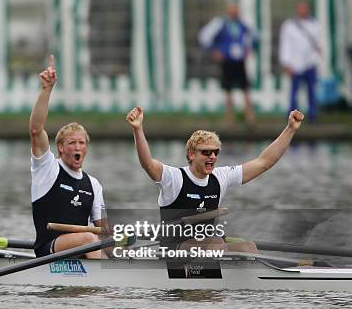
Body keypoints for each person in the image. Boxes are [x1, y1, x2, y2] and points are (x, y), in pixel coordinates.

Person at [125, 105, 305, 253]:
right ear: (191, 154)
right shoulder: (175, 178)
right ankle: (206, 292)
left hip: (208, 244)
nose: (212, 156)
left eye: (215, 152)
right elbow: (147, 164)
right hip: (175, 247)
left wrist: (290, 130)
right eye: (206, 152)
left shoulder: (220, 177)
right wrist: (138, 129)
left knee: (248, 247)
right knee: (216, 243)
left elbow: (264, 162)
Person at [29, 55, 106, 259]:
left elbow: (104, 228)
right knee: (90, 238)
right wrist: (46, 89)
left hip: (80, 249)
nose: (77, 147)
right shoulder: (48, 169)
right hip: (50, 248)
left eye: (82, 143)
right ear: (61, 148)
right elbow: (36, 130)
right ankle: (108, 287)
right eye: (72, 143)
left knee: (111, 244)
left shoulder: (93, 185)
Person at [199, 2, 257, 125]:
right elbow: (204, 36)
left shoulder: (243, 24)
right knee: (228, 89)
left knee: (245, 88)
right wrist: (214, 51)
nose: (234, 12)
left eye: (236, 10)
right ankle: (230, 118)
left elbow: (254, 36)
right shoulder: (221, 23)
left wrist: (249, 48)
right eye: (232, 10)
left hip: (239, 60)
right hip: (227, 60)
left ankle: (249, 117)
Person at [279, 1, 321, 122]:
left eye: (305, 8)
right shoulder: (289, 25)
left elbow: (317, 43)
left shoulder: (314, 24)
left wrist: (316, 59)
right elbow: (285, 44)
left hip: (310, 63)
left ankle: (312, 115)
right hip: (295, 64)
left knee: (312, 90)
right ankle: (292, 116)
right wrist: (286, 62)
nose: (303, 11)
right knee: (294, 91)